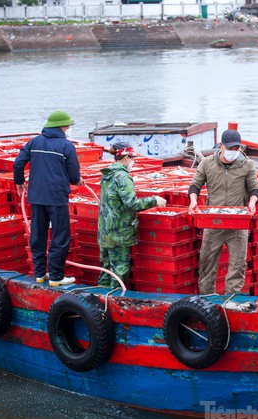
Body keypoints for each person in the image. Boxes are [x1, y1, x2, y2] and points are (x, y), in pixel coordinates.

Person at [14, 110, 83, 286]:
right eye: (68, 125)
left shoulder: (34, 142)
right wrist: (76, 180)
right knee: (60, 236)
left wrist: (19, 181)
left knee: (38, 234)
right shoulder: (67, 146)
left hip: (36, 196)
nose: (68, 128)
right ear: (62, 126)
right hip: (57, 197)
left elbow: (18, 163)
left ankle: (39, 274)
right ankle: (56, 276)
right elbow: (74, 173)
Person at [188, 130, 258, 295]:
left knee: (237, 266)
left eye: (236, 147)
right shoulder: (207, 163)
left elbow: (254, 189)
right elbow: (195, 185)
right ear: (221, 146)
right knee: (207, 264)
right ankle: (207, 300)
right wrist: (193, 200)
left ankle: (232, 300)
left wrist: (252, 202)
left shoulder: (247, 165)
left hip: (238, 225)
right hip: (213, 223)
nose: (233, 151)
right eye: (230, 147)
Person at [97, 142, 166, 289]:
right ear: (126, 157)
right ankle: (112, 302)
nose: (133, 162)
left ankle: (98, 302)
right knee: (119, 271)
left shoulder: (107, 173)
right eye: (132, 158)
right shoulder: (123, 177)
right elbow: (132, 204)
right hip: (119, 233)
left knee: (106, 269)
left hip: (105, 231)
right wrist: (154, 200)